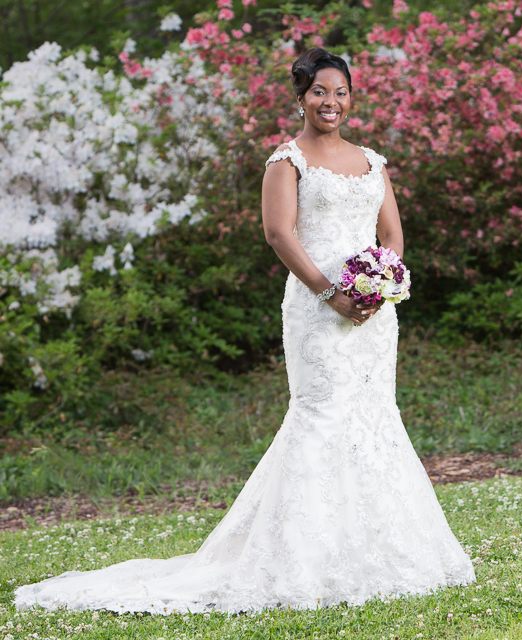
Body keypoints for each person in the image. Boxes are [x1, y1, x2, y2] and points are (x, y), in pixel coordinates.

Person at [14, 47, 476, 614]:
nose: (331, 102)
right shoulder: (286, 161)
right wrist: (331, 294)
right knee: (322, 415)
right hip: (316, 310)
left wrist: (381, 286)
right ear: (300, 96)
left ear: (352, 98)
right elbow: (279, 235)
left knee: (373, 416)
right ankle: (299, 561)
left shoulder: (372, 161)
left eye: (340, 92)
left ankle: (379, 552)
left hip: (374, 317)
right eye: (319, 92)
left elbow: (393, 235)